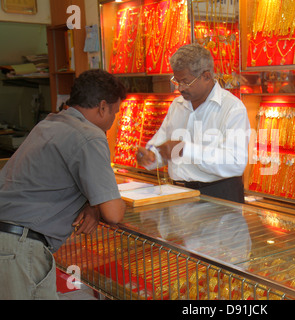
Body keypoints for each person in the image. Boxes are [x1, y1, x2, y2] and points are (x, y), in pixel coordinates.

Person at [0, 69, 127, 299]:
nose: (112, 120)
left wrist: (91, 202)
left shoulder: (49, 124)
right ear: (102, 107)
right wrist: (99, 204)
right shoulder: (90, 135)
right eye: (114, 112)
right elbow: (114, 213)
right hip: (20, 248)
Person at [137, 44, 250, 203]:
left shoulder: (232, 108)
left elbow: (235, 162)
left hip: (218, 197)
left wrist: (185, 149)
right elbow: (162, 146)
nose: (180, 88)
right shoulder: (177, 105)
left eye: (186, 82)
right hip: (179, 194)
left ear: (206, 76)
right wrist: (150, 156)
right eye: (177, 81)